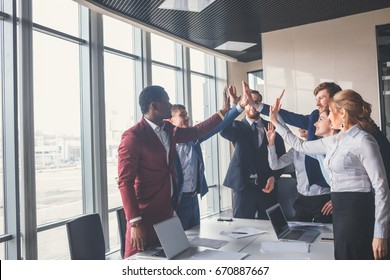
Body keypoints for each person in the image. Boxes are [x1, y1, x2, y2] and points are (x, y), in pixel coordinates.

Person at [269, 89, 390, 260]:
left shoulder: (364, 140)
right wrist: (275, 121)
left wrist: (380, 233)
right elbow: (300, 146)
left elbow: (381, 188)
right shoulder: (335, 141)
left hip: (357, 209)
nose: (329, 117)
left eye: (331, 113)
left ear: (342, 113)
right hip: (340, 209)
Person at [117, 85, 227, 258]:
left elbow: (197, 131)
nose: (170, 105)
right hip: (145, 216)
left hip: (167, 212)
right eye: (167, 101)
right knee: (140, 264)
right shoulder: (133, 137)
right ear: (154, 106)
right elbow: (125, 182)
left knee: (175, 259)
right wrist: (135, 223)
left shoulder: (169, 130)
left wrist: (223, 112)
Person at [170, 85, 252, 230]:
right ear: (171, 121)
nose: (187, 117)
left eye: (187, 113)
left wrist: (237, 106)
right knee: (178, 243)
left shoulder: (194, 139)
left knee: (194, 241)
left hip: (193, 199)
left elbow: (219, 125)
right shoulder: (167, 144)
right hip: (177, 202)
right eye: (182, 114)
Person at [220, 83, 286, 219]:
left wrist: (274, 177)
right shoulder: (237, 126)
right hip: (243, 187)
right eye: (248, 102)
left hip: (267, 187)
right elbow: (223, 129)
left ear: (260, 105)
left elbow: (282, 158)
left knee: (270, 229)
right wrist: (233, 106)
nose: (251, 105)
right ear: (244, 105)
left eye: (255, 102)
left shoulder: (273, 127)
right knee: (241, 229)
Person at [265, 109, 338, 223]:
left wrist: (335, 199)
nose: (300, 128)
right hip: (302, 200)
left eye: (303, 125)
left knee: (324, 236)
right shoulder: (296, 149)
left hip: (323, 200)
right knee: (297, 234)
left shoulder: (324, 146)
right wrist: (271, 144)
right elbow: (275, 165)